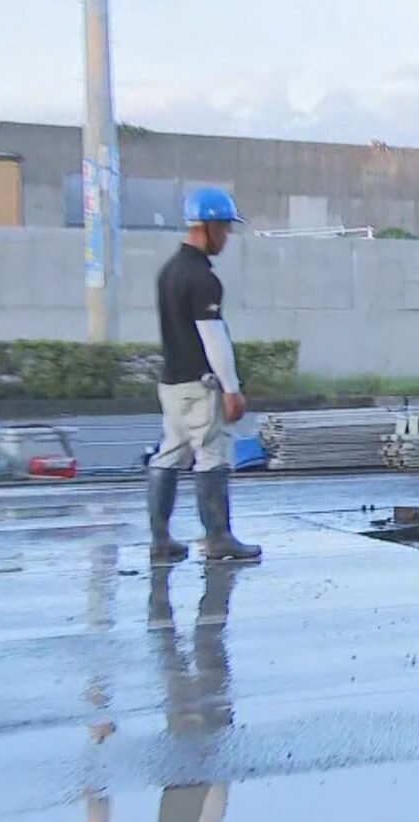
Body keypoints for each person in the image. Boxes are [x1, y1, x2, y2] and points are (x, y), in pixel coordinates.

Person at [147, 187, 261, 563]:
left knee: (169, 453)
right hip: (200, 385)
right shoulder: (203, 279)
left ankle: (160, 539)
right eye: (225, 228)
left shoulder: (169, 272)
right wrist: (232, 388)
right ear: (208, 227)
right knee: (212, 455)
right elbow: (214, 338)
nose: (227, 236)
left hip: (171, 383)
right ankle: (218, 538)